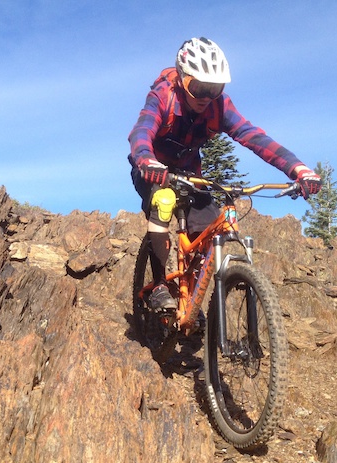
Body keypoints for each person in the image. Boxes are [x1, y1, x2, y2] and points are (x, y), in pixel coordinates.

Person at [128, 37, 322, 310]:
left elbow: (254, 137)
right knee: (163, 202)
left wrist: (297, 168)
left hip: (189, 174)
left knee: (209, 227)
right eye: (199, 88)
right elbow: (142, 131)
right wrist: (146, 159)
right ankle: (160, 284)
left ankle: (189, 298)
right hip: (151, 168)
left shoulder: (219, 107)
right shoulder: (164, 95)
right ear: (183, 79)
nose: (206, 98)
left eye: (215, 89)